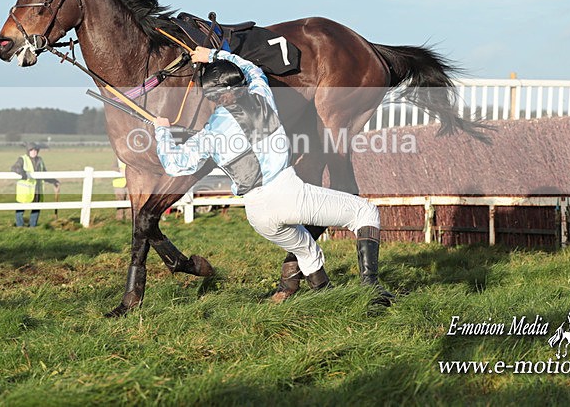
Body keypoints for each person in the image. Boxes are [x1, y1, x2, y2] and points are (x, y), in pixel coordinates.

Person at [153, 45, 394, 305]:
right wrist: (212, 55)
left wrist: (161, 131)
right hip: (288, 193)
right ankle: (372, 290)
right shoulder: (261, 97)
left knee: (305, 247)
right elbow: (252, 69)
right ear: (239, 83)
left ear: (212, 97)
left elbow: (175, 165)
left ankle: (326, 298)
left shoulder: (208, 135)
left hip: (257, 214)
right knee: (366, 212)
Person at [11, 142, 59, 227]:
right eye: (31, 150)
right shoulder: (22, 159)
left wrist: (53, 181)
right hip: (25, 192)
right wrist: (22, 172)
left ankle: (32, 227)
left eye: (36, 150)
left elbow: (44, 173)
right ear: (28, 151)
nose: (34, 152)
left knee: (36, 209)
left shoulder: (40, 160)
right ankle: (20, 227)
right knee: (20, 210)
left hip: (37, 190)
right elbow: (15, 168)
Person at [112, 157, 132, 222]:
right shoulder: (116, 159)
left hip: (130, 183)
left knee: (129, 202)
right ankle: (119, 219)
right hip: (119, 184)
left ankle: (129, 218)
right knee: (119, 202)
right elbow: (113, 168)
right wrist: (120, 170)